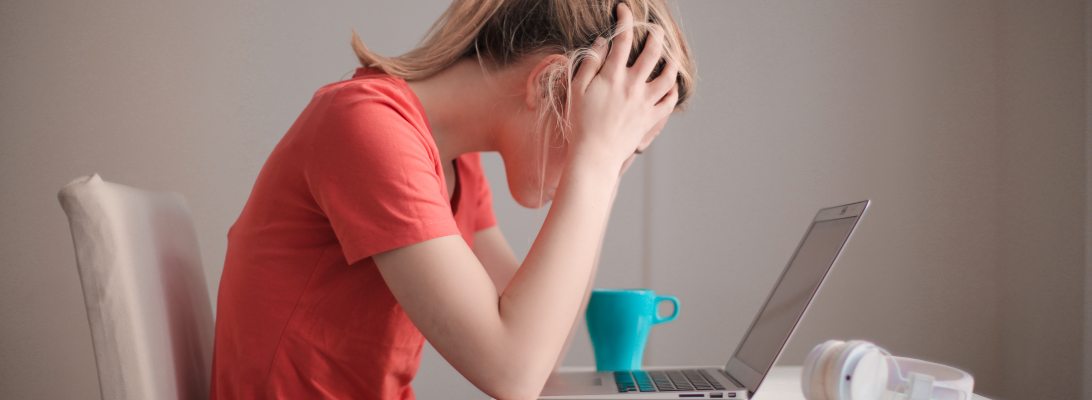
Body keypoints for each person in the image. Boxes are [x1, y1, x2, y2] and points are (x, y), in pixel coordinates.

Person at [210, 0, 696, 398]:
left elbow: (544, 349)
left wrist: (604, 171)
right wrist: (595, 163)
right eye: (611, 133)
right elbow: (514, 372)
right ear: (547, 84)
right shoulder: (366, 126)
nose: (612, 158)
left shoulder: (456, 165)